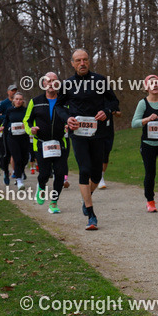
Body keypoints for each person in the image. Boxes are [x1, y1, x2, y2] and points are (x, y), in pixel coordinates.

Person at [58, 49, 120, 230]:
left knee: (97, 173)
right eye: (78, 60)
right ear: (72, 63)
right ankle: (91, 215)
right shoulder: (67, 84)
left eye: (85, 60)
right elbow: (60, 106)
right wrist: (67, 118)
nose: (82, 63)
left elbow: (113, 101)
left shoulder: (100, 81)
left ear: (89, 62)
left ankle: (86, 200)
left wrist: (107, 111)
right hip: (78, 133)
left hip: (98, 132)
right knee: (84, 169)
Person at [25, 72, 70, 213]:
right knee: (44, 173)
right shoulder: (35, 101)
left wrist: (69, 124)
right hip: (41, 143)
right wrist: (30, 129)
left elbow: (71, 116)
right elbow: (26, 121)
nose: (51, 83)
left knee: (60, 173)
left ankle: (54, 203)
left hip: (60, 142)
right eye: (48, 81)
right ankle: (41, 185)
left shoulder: (65, 101)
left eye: (54, 81)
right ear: (44, 84)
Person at [131, 74, 158, 213]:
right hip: (148, 144)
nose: (154, 85)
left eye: (156, 82)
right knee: (150, 173)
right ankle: (150, 201)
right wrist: (147, 119)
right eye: (151, 83)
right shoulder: (143, 103)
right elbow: (134, 123)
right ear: (146, 87)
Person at [0, 84, 19, 185]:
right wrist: (7, 117)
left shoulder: (19, 103)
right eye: (12, 91)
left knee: (18, 154)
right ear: (8, 92)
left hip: (18, 132)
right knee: (6, 154)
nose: (14, 92)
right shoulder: (4, 103)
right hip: (6, 132)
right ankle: (6, 173)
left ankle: (18, 174)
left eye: (15, 90)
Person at [2, 92, 31, 189]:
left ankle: (20, 172)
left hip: (24, 137)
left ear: (23, 101)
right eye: (16, 99)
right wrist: (3, 127)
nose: (18, 101)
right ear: (13, 100)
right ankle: (19, 180)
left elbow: (30, 122)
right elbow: (6, 122)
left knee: (25, 158)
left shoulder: (26, 110)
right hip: (12, 138)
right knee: (17, 158)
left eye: (20, 99)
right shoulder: (9, 110)